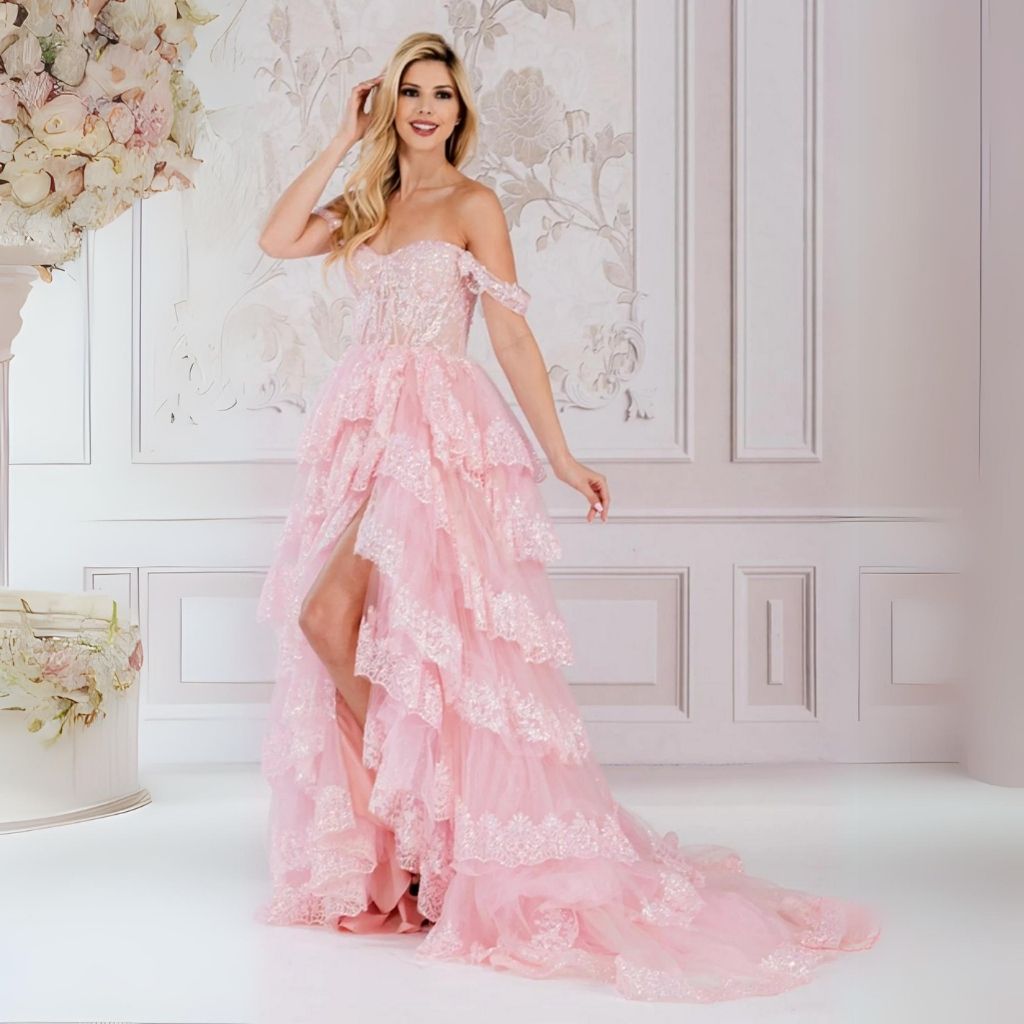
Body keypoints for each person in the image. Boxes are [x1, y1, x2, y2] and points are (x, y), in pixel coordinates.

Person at [254, 30, 881, 1003]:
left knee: (365, 626)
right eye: (412, 93)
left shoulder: (471, 203)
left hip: (433, 442)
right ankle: (433, 828)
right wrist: (343, 138)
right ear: (391, 105)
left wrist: (559, 452)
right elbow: (276, 235)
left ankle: (443, 830)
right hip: (369, 433)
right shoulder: (369, 203)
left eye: (443, 96)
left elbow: (508, 330)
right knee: (341, 624)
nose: (426, 109)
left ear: (462, 112)